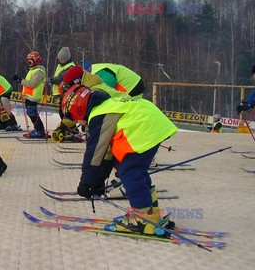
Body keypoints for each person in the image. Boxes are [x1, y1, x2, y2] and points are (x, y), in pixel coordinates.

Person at [61, 84, 178, 236]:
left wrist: (86, 183)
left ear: (78, 110)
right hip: (153, 123)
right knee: (136, 171)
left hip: (146, 127)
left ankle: (143, 220)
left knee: (130, 172)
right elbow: (107, 153)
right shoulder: (107, 105)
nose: (78, 123)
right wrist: (97, 182)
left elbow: (96, 152)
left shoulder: (98, 114)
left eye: (74, 118)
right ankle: (151, 214)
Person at [13, 51, 47, 138]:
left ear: (35, 61)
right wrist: (20, 80)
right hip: (29, 96)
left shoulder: (38, 72)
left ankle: (40, 130)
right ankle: (38, 129)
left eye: (30, 62)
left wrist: (21, 81)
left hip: (33, 96)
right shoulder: (33, 70)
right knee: (31, 113)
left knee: (32, 113)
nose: (29, 64)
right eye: (28, 62)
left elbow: (32, 84)